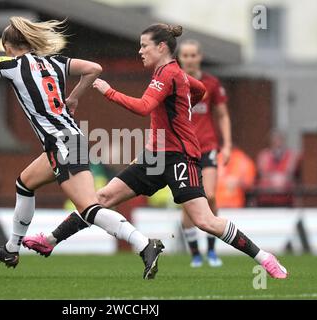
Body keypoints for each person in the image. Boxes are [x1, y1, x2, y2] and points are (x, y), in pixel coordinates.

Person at [23, 23, 288, 279]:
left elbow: (143, 107)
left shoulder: (167, 73)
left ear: (161, 47)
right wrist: (182, 108)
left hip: (179, 157)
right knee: (101, 198)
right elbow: (200, 90)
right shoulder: (175, 74)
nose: (140, 51)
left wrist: (108, 91)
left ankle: (265, 258)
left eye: (144, 46)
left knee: (204, 220)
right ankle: (49, 241)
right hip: (155, 157)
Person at [0, 17, 162, 279]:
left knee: (88, 209)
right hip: (65, 140)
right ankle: (12, 249)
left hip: (63, 143)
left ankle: (143, 244)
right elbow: (94, 68)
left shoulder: (13, 64)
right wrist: (74, 97)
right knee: (24, 183)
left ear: (8, 45)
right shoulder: (55, 62)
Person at [176, 39, 232, 267]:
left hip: (207, 146)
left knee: (209, 196)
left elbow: (222, 115)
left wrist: (227, 144)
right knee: (189, 201)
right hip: (182, 149)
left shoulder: (211, 83)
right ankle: (195, 253)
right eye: (185, 55)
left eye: (193, 55)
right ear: (179, 58)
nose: (189, 59)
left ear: (200, 57)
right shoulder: (173, 82)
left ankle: (211, 250)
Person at [256, 131, 299, 207]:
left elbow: (290, 172)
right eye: (275, 139)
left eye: (280, 139)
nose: (278, 142)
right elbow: (262, 173)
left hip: (285, 198)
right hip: (266, 198)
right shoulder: (264, 155)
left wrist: (279, 178)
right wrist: (275, 178)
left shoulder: (291, 156)